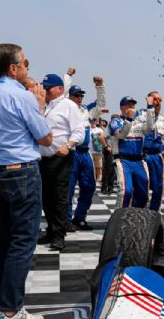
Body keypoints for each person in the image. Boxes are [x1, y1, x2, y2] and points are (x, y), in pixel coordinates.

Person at [0, 43, 52, 319]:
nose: (27, 68)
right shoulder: (22, 97)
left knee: (0, 241)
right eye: (25, 64)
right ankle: (10, 310)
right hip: (21, 172)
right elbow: (45, 138)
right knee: (22, 242)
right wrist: (40, 106)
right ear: (13, 68)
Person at [38, 74, 84, 251]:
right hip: (42, 158)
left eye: (48, 88)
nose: (46, 91)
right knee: (46, 197)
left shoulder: (69, 106)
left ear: (59, 89)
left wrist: (68, 145)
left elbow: (79, 132)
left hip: (61, 158)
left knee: (60, 197)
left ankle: (59, 235)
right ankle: (50, 229)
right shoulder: (42, 104)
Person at [67, 77, 105, 231]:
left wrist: (100, 86)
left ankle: (80, 218)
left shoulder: (86, 111)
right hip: (71, 153)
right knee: (68, 189)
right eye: (76, 95)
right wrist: (68, 77)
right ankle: (66, 220)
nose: (80, 98)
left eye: (81, 95)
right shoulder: (64, 108)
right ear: (69, 97)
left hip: (85, 153)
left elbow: (101, 104)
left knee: (89, 187)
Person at [110, 96, 156, 208]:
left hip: (139, 161)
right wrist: (129, 119)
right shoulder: (115, 122)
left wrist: (150, 107)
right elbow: (121, 135)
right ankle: (119, 218)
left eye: (133, 105)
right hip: (123, 161)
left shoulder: (139, 122)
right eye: (128, 105)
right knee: (126, 191)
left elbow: (150, 126)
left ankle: (136, 216)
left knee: (144, 193)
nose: (131, 107)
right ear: (121, 108)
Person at [139, 91, 164, 211]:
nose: (158, 102)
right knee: (142, 186)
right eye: (155, 99)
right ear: (148, 100)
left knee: (159, 187)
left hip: (157, 157)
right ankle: (139, 211)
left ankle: (154, 212)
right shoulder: (140, 115)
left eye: (160, 99)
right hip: (142, 156)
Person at [90, 119, 105, 184]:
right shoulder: (88, 129)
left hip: (98, 150)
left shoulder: (99, 130)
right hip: (89, 151)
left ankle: (97, 179)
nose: (93, 122)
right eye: (92, 121)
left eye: (94, 121)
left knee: (98, 166)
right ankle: (91, 179)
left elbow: (103, 138)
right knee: (90, 166)